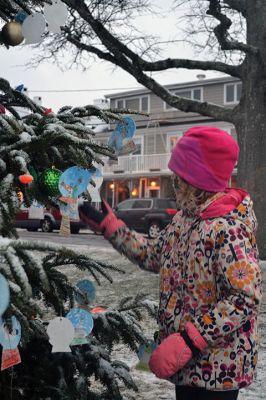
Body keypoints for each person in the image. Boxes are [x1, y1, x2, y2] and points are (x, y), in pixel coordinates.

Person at [79, 126, 262, 400]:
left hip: (218, 367)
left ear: (199, 181)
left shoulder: (229, 229)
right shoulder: (183, 220)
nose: (175, 184)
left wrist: (191, 339)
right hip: (185, 361)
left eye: (180, 178)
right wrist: (112, 228)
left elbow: (244, 299)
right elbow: (154, 255)